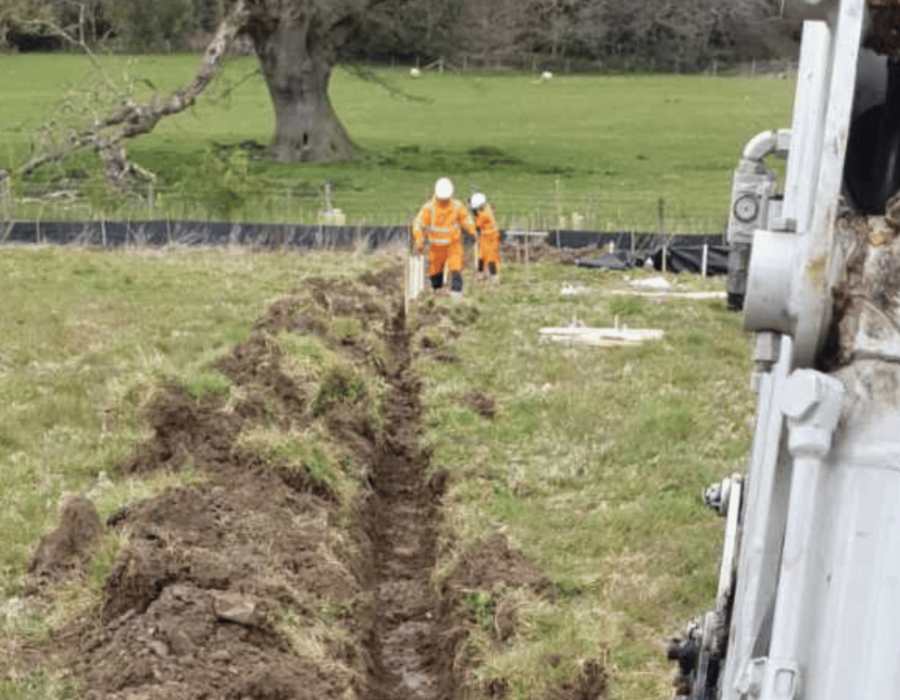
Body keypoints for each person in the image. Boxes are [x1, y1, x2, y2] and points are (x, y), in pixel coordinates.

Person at [412, 177, 477, 299]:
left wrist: (474, 232)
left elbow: (466, 220)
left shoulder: (457, 207)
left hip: (453, 245)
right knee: (435, 274)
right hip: (436, 247)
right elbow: (418, 224)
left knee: (456, 270)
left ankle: (456, 300)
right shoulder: (429, 208)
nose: (444, 202)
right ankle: (436, 297)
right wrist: (419, 239)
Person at [470, 192, 500, 282]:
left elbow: (477, 227)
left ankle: (494, 276)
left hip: (490, 237)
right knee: (481, 256)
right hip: (485, 236)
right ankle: (480, 274)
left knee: (490, 257)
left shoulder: (483, 215)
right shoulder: (486, 210)